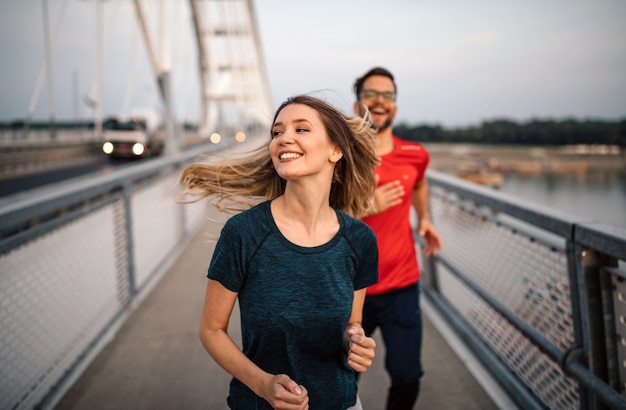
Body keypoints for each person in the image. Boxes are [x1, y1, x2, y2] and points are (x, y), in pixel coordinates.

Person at [179, 95, 380, 410]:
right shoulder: (244, 233)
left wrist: (356, 341)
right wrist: (263, 384)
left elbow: (352, 323)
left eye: (301, 129)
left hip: (341, 403)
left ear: (335, 150)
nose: (284, 138)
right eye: (276, 132)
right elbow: (211, 329)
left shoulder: (360, 239)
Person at [352, 67, 443, 409]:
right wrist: (367, 205)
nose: (379, 101)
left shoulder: (415, 154)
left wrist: (426, 219)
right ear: (356, 103)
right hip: (349, 290)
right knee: (343, 378)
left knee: (407, 377)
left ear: (395, 107)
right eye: (370, 94)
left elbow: (418, 183)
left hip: (401, 285)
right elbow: (315, 210)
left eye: (387, 95)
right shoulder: (341, 156)